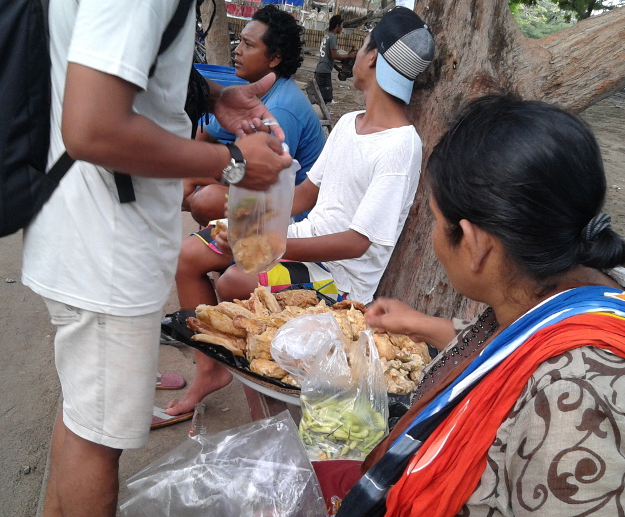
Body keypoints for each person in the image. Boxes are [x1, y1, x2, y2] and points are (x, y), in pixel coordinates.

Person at [299, 95, 625, 517]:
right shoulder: (596, 277)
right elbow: (515, 352)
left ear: (474, 241)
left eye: (434, 221)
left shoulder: (577, 404)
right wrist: (426, 326)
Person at [18, 1, 292, 517]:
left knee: (87, 405)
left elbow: (118, 67)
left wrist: (209, 97)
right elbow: (93, 127)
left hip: (86, 233)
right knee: (100, 428)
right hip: (104, 251)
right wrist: (236, 161)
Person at [166, 7, 436, 417]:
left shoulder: (401, 145)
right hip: (304, 240)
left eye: (362, 45)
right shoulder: (348, 123)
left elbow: (357, 242)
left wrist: (271, 245)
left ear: (372, 59)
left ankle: (263, 402)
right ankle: (211, 369)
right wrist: (246, 224)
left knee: (238, 280)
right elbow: (306, 195)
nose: (355, 53)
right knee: (190, 255)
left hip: (339, 278)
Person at [182, 4, 326, 227]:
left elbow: (261, 180)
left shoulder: (280, 110)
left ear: (274, 59)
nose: (237, 50)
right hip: (255, 188)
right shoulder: (250, 96)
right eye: (240, 41)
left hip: (288, 213)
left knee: (205, 199)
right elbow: (205, 135)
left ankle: (222, 244)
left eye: (248, 45)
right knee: (183, 183)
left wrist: (196, 176)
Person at [314, 14, 356, 104]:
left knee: (321, 97)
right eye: (341, 26)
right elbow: (335, 56)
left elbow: (327, 56)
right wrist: (349, 56)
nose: (342, 28)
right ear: (337, 26)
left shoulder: (327, 36)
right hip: (324, 72)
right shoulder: (332, 37)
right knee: (326, 98)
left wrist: (336, 68)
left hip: (320, 70)